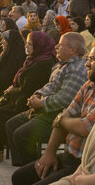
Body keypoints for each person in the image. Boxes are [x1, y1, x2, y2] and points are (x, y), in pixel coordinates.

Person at [12, 46, 95, 185]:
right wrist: (49, 153)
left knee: (23, 132)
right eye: (88, 58)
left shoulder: (76, 70)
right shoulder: (89, 85)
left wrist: (62, 119)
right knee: (19, 177)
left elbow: (83, 127)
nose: (87, 63)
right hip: (69, 154)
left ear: (72, 49)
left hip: (83, 163)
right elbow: (64, 115)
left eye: (92, 59)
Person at [6, 32, 87, 166]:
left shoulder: (78, 69)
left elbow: (64, 99)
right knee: (11, 124)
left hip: (57, 115)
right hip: (45, 109)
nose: (56, 47)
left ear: (73, 50)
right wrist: (37, 95)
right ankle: (23, 167)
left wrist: (40, 103)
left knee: (21, 135)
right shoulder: (62, 65)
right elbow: (50, 85)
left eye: (61, 45)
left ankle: (36, 168)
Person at [0, 31, 57, 162]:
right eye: (26, 43)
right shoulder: (34, 59)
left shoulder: (42, 64)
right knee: (0, 108)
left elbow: (28, 89)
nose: (26, 46)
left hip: (28, 101)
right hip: (21, 97)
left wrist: (12, 90)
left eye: (30, 44)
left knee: (1, 114)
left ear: (39, 45)